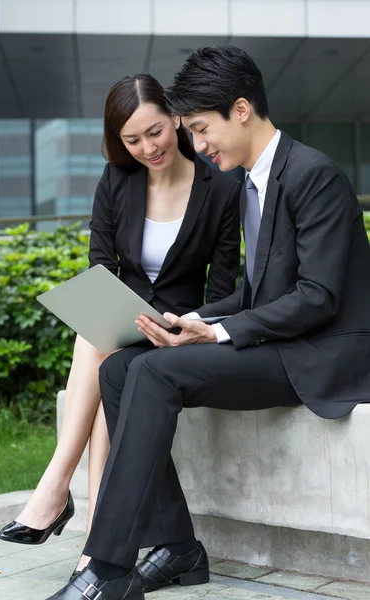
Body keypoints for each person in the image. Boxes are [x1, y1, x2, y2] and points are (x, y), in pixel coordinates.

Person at [44, 45, 370, 600]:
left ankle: (107, 568)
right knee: (122, 369)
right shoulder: (251, 181)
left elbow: (316, 298)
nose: (195, 145)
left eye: (199, 128)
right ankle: (176, 547)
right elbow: (256, 291)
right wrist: (192, 319)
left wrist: (219, 332)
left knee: (151, 374)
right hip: (281, 342)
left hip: (320, 353)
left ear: (240, 109)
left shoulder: (314, 175)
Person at [0, 73, 241, 564]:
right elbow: (100, 266)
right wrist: (115, 310)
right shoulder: (117, 179)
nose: (147, 147)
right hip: (122, 322)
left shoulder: (221, 189)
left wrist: (184, 325)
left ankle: (57, 490)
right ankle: (92, 537)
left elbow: (224, 290)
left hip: (178, 329)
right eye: (132, 140)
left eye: (155, 132)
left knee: (101, 348)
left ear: (175, 118)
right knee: (104, 345)